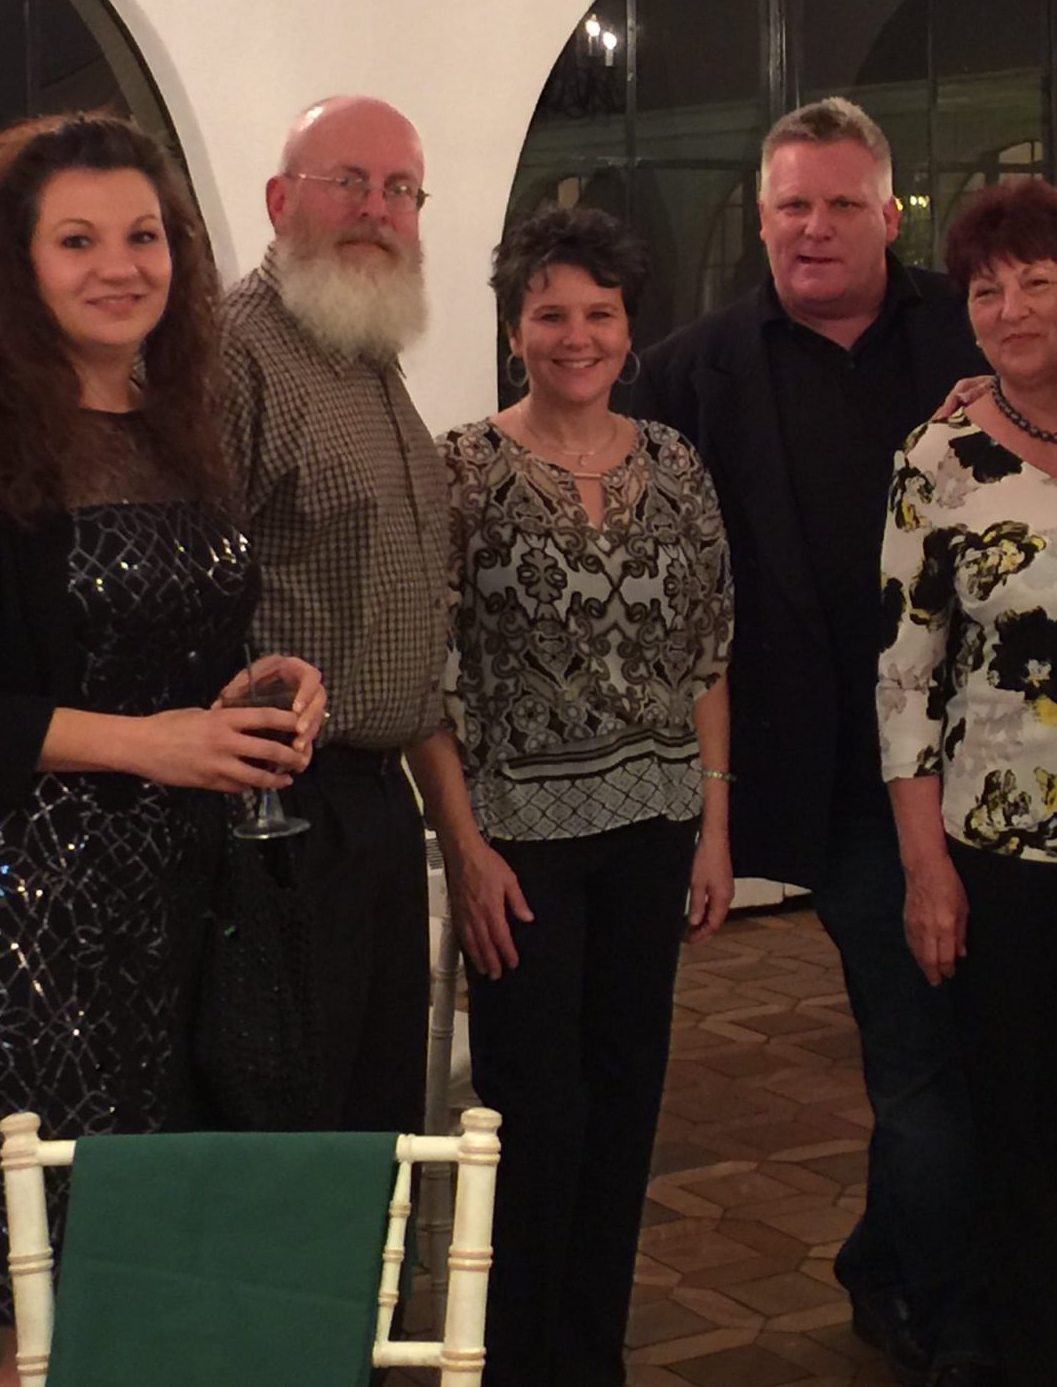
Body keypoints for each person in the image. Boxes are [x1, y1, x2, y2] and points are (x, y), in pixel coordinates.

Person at [0, 112, 326, 1380]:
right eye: (77, 240)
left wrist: (262, 686)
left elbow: (160, 655)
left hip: (186, 903)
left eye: (143, 236)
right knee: (54, 1301)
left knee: (170, 1265)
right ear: (18, 263)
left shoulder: (180, 423)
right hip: (23, 917)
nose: (120, 265)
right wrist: (145, 746)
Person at [635, 98, 990, 1385]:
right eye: (793, 204)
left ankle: (890, 1264)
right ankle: (942, 1316)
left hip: (998, 762)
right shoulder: (687, 374)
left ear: (890, 215)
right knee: (918, 1047)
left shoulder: (974, 332)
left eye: (842, 204)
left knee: (976, 1049)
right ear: (762, 216)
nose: (815, 227)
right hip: (832, 774)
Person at [417, 205, 736, 1386]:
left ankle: (590, 1357)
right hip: (519, 847)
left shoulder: (675, 464)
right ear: (514, 331)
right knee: (533, 1113)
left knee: (624, 1100)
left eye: (598, 313)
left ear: (628, 327)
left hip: (655, 829)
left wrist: (715, 826)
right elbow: (426, 676)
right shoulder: (461, 469)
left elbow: (709, 653)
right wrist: (463, 847)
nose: (576, 335)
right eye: (550, 313)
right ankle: (517, 1362)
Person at [878, 178, 1057, 1386]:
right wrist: (925, 868)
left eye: (1036, 282)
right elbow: (903, 674)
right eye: (986, 290)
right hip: (1003, 838)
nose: (1010, 309)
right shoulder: (936, 457)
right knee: (1016, 1126)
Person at [219, 94, 450, 1134]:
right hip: (279, 815)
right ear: (280, 201)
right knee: (298, 1129)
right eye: (348, 182)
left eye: (400, 190)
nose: (376, 209)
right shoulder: (235, 353)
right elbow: (187, 590)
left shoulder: (364, 346)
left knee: (377, 1116)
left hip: (372, 807)